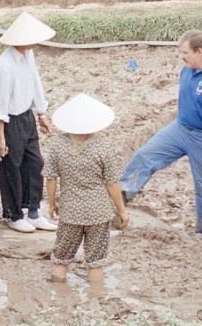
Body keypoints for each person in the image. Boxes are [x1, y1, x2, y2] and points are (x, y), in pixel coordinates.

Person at [120, 30, 202, 238]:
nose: (182, 56)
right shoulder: (187, 70)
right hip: (180, 128)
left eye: (185, 52)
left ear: (200, 51)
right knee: (145, 155)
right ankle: (122, 196)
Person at [44, 94, 129, 285]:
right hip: (98, 212)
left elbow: (50, 178)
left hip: (70, 210)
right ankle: (95, 301)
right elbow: (112, 183)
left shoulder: (58, 145)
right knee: (96, 262)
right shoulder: (104, 147)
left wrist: (52, 203)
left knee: (61, 258)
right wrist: (121, 210)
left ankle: (58, 295)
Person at [0, 11, 58, 233]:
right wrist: (1, 137)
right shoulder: (4, 66)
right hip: (10, 121)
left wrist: (41, 113)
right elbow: (0, 104)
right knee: (12, 166)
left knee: (35, 163)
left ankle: (33, 210)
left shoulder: (28, 56)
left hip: (27, 116)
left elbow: (35, 82)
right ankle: (14, 213)